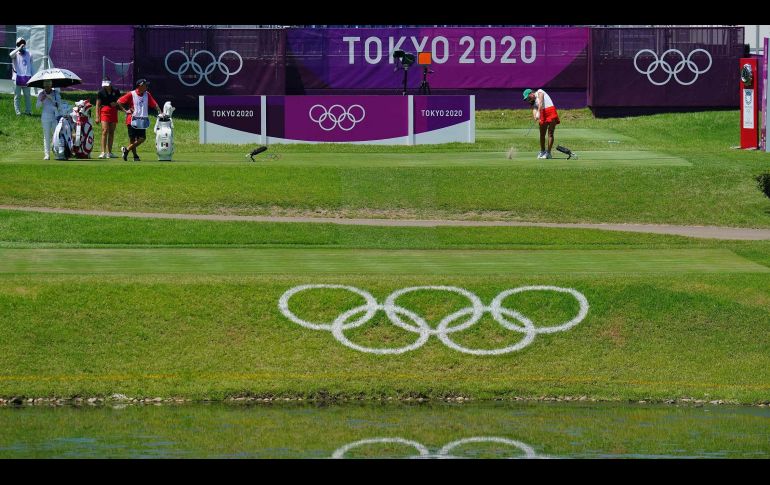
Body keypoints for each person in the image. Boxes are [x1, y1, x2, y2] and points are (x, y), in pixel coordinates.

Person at [117, 78, 161, 161]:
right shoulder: (131, 94)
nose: (146, 86)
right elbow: (119, 102)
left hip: (142, 119)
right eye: (145, 85)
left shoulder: (147, 94)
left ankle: (126, 149)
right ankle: (135, 156)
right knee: (132, 139)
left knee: (142, 138)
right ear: (140, 86)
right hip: (132, 119)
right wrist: (126, 111)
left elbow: (154, 104)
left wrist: (160, 111)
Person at [523, 88, 560, 159]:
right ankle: (542, 151)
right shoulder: (533, 102)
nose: (528, 99)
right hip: (543, 114)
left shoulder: (540, 92)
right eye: (527, 99)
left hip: (550, 111)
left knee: (550, 133)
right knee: (542, 134)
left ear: (531, 93)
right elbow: (534, 109)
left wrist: (539, 111)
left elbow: (541, 102)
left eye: (528, 97)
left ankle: (548, 153)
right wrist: (535, 116)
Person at [95, 77, 122, 158]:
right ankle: (103, 152)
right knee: (105, 130)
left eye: (107, 85)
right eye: (104, 85)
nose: (105, 86)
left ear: (110, 83)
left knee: (111, 132)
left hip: (113, 111)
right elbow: (97, 105)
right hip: (104, 111)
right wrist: (97, 116)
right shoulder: (101, 92)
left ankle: (109, 153)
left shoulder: (116, 90)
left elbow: (120, 100)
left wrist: (116, 104)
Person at [35, 80, 62, 160]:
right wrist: (41, 99)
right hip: (45, 117)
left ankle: (57, 153)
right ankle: (47, 154)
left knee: (55, 136)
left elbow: (59, 105)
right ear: (44, 86)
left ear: (51, 86)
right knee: (46, 136)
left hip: (54, 116)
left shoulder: (56, 93)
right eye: (46, 86)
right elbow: (37, 106)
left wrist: (52, 99)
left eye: (49, 86)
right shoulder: (41, 93)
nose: (47, 88)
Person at [9, 37, 34, 116]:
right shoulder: (15, 53)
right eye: (19, 44)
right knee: (17, 96)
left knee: (27, 96)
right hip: (17, 78)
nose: (22, 45)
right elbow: (10, 55)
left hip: (27, 78)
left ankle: (28, 111)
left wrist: (32, 76)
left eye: (23, 44)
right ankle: (18, 112)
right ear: (17, 45)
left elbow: (31, 66)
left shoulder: (29, 53)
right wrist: (19, 48)